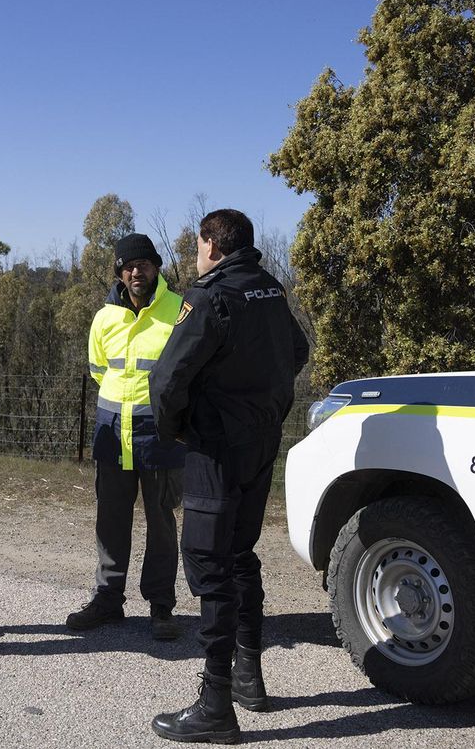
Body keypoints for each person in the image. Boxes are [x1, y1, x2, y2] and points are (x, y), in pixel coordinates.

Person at [147, 209, 309, 744]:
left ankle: (215, 702)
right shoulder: (270, 289)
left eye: (198, 245)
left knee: (209, 563)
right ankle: (248, 676)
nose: (196, 254)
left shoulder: (211, 295)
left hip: (215, 449)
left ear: (212, 244)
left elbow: (169, 378)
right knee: (240, 555)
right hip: (261, 443)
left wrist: (176, 430)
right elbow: (299, 351)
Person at [66, 233, 186, 640]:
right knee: (110, 521)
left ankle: (161, 606)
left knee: (161, 523)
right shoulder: (104, 317)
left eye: (144, 264)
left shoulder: (180, 310)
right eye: (129, 266)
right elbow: (100, 371)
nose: (137, 271)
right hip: (113, 437)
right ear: (120, 272)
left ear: (156, 267)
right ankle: (107, 599)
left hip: (162, 438)